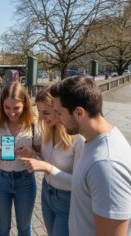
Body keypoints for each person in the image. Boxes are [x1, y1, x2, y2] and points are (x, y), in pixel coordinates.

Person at [50, 76, 131, 236]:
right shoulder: (95, 141)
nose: (57, 119)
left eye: (59, 113)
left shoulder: (107, 166)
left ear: (79, 113)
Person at [20, 87, 84, 236]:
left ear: (58, 109)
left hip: (67, 199)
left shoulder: (78, 138)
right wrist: (33, 155)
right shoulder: (48, 131)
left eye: (46, 112)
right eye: (39, 112)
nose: (41, 118)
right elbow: (46, 162)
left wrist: (47, 168)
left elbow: (79, 183)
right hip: (47, 193)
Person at [0, 81, 41, 236]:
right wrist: (0, 153)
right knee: (2, 228)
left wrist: (31, 154)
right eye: (7, 107)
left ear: (25, 104)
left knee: (24, 227)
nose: (12, 112)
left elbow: (41, 156)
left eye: (16, 108)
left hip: (25, 180)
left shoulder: (33, 122)